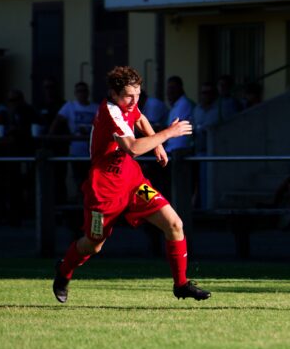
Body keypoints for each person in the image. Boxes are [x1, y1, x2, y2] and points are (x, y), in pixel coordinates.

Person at [52, 66, 210, 303]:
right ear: (113, 94)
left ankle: (181, 284)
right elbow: (133, 148)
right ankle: (64, 269)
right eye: (128, 95)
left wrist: (156, 144)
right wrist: (167, 134)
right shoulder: (111, 112)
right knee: (94, 245)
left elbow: (140, 117)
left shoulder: (128, 104)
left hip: (134, 183)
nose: (134, 100)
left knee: (175, 223)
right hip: (103, 191)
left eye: (137, 94)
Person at [50, 82, 99, 189]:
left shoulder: (96, 108)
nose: (82, 94)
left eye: (84, 91)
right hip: (76, 150)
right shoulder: (70, 106)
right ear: (75, 93)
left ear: (88, 92)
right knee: (79, 180)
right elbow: (57, 121)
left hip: (93, 152)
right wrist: (50, 137)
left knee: (93, 181)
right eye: (79, 91)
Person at [164, 76, 194, 154]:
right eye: (169, 88)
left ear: (180, 88)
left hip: (179, 150)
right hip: (171, 149)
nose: (170, 91)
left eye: (173, 88)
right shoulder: (175, 105)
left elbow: (174, 127)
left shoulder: (184, 104)